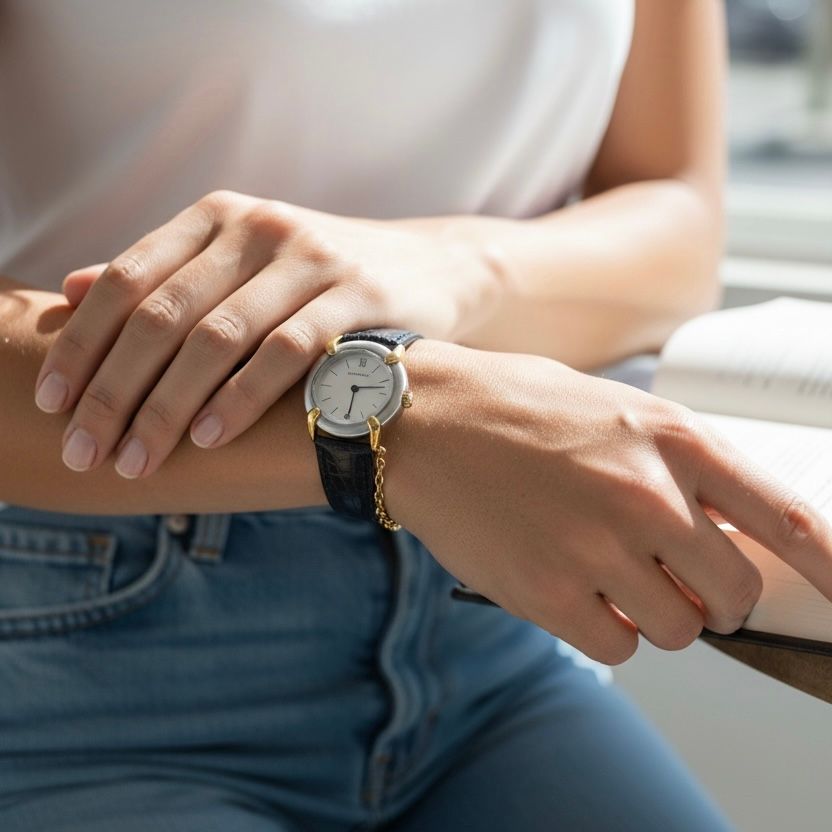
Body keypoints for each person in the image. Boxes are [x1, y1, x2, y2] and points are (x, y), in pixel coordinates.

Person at [2, 2, 830, 830]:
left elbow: (679, 229)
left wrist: (450, 265)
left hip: (483, 646)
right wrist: (398, 422)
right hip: (86, 651)